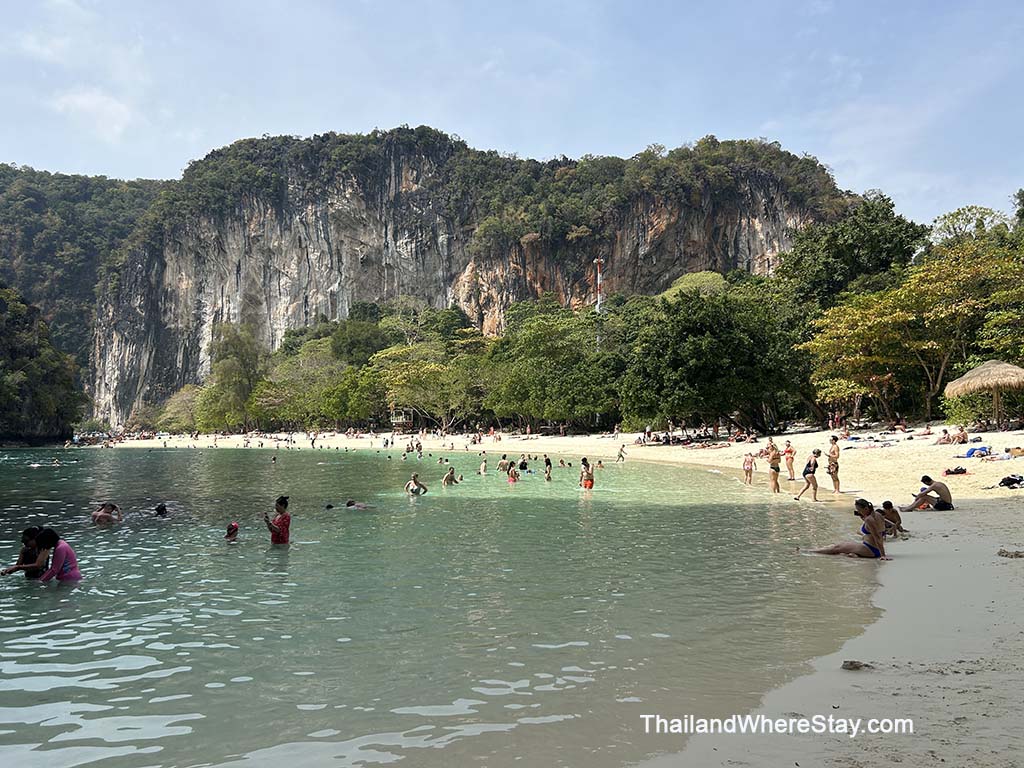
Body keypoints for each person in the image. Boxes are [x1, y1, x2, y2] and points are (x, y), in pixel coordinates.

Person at [810, 499, 891, 559]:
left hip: (871, 549)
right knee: (840, 546)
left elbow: (877, 536)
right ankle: (853, 554)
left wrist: (883, 555)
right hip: (873, 548)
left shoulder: (869, 519)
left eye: (859, 510)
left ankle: (808, 551)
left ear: (866, 509)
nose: (859, 512)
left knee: (837, 547)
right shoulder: (878, 514)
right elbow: (881, 531)